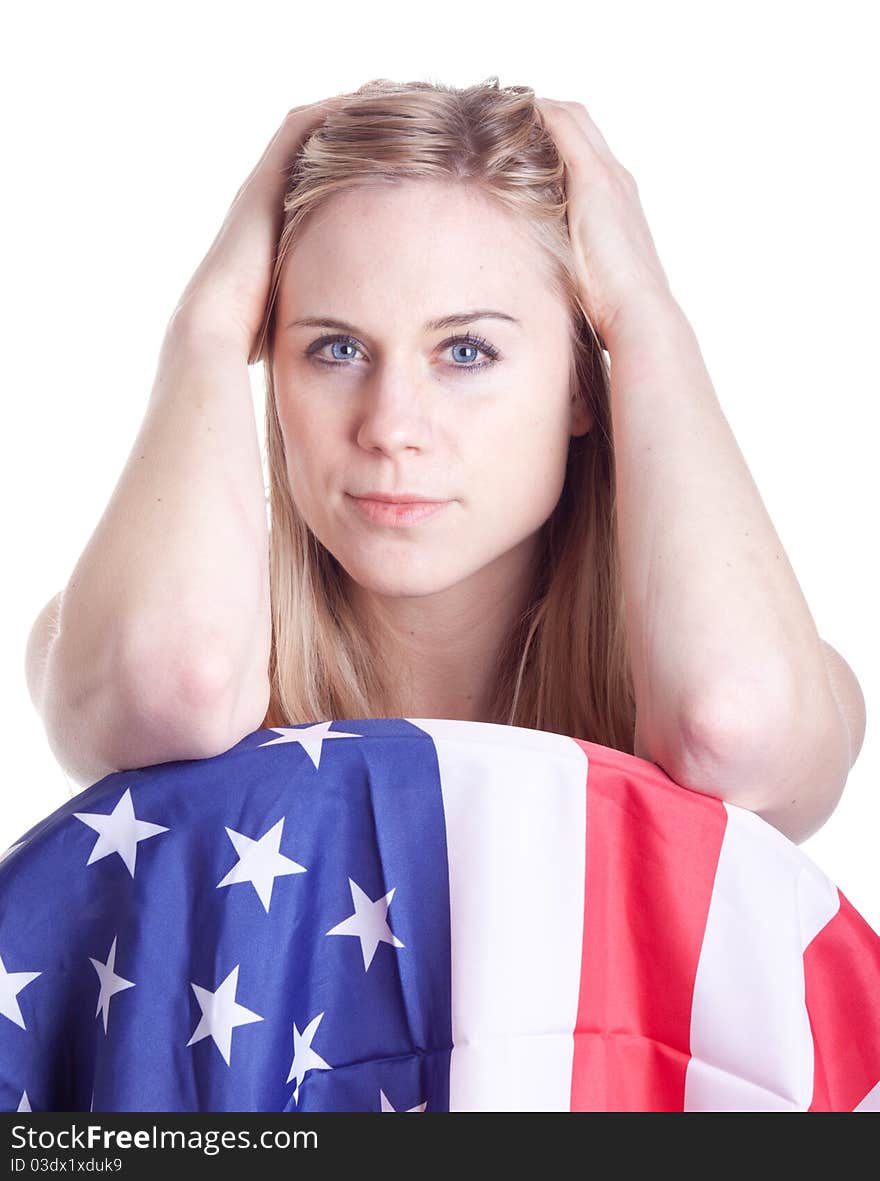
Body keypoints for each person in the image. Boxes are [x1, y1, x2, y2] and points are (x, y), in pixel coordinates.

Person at [25, 76, 865, 845]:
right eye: (337, 348)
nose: (391, 427)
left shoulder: (750, 653)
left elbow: (732, 730)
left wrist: (648, 319)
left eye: (466, 351)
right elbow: (177, 684)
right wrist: (203, 329)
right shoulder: (129, 621)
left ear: (581, 382)